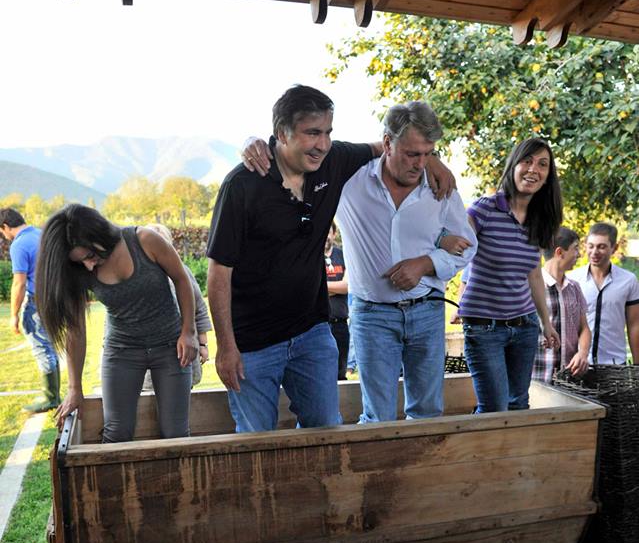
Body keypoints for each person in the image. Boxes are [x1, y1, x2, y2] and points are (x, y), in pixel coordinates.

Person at [208, 84, 457, 433]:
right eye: (312, 133)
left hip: (312, 334)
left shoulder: (333, 161)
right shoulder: (242, 185)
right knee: (255, 440)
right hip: (253, 343)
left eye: (327, 132)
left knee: (326, 432)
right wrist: (226, 347)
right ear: (282, 133)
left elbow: (389, 145)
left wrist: (433, 159)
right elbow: (219, 272)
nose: (322, 143)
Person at [336, 101, 477, 421]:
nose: (421, 163)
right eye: (412, 153)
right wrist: (254, 145)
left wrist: (426, 263)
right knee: (377, 416)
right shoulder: (351, 182)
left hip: (427, 311)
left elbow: (468, 247)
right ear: (387, 143)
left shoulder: (440, 186)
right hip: (371, 315)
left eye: (429, 153)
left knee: (427, 413)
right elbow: (309, 152)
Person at [35, 204, 197, 442]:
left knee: (176, 433)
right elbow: (75, 331)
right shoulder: (81, 270)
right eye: (81, 262)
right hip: (122, 351)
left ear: (99, 236)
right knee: (116, 433)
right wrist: (74, 389)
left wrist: (189, 331)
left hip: (171, 347)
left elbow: (182, 279)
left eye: (90, 256)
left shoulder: (145, 240)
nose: (89, 266)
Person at [458, 137, 562, 413]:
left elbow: (534, 275)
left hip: (524, 326)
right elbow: (456, 249)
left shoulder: (540, 219)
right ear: (513, 165)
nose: (533, 169)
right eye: (527, 161)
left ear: (548, 176)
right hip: (484, 328)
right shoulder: (485, 209)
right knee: (494, 409)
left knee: (518, 405)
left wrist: (546, 322)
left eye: (542, 164)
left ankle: (514, 458)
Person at [0, 207, 61, 412]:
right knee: (49, 346)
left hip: (36, 302)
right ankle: (53, 394)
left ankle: (51, 397)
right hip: (53, 299)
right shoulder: (40, 234)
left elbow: (19, 283)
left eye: (2, 232)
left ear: (6, 226)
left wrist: (14, 315)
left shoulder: (19, 245)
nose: (4, 236)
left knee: (41, 347)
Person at [141, 224, 211, 389]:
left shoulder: (184, 273)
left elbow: (199, 309)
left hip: (184, 352)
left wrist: (203, 345)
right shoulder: (136, 278)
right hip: (150, 356)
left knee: (183, 396)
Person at [570, 222, 639, 365]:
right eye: (591, 246)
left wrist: (637, 366)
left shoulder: (628, 281)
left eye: (601, 247)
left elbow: (634, 325)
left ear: (614, 248)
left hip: (615, 365)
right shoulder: (572, 280)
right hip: (578, 364)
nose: (594, 252)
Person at [532, 227, 590, 382]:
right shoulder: (531, 288)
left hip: (569, 381)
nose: (579, 254)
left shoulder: (575, 288)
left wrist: (582, 353)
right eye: (575, 249)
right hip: (537, 380)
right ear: (560, 252)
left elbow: (584, 328)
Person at [324, 222, 349, 380]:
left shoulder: (343, 255)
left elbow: (347, 286)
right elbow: (308, 285)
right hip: (318, 325)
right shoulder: (310, 256)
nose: (326, 236)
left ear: (334, 234)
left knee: (340, 374)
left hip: (340, 325)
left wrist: (322, 286)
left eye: (329, 232)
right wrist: (336, 287)